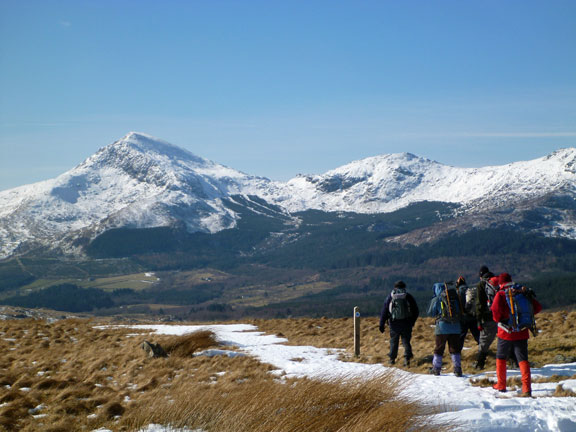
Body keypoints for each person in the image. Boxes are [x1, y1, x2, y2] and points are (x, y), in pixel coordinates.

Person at [491, 272, 542, 396]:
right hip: (522, 331)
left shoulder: (501, 294)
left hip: (505, 332)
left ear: (501, 283)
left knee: (501, 357)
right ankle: (526, 388)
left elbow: (495, 314)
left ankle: (501, 385)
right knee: (523, 359)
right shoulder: (521, 292)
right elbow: (537, 308)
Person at [379, 280, 419, 367]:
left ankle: (392, 359)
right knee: (406, 341)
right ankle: (407, 358)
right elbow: (415, 310)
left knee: (394, 341)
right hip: (406, 323)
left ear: (395, 287)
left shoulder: (390, 297)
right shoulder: (408, 296)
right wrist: (412, 321)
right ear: (404, 287)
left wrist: (381, 324)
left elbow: (384, 311)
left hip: (394, 323)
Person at [428, 282, 463, 376]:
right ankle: (457, 369)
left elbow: (431, 312)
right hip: (455, 326)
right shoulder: (454, 297)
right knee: (455, 348)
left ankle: (436, 368)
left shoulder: (437, 299)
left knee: (439, 348)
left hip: (442, 327)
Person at [473, 266, 499, 369]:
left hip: (488, 317)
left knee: (484, 341)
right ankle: (513, 360)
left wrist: (479, 320)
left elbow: (479, 304)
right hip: (501, 316)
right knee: (505, 339)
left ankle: (480, 363)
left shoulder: (481, 285)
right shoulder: (497, 282)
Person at [456, 276, 480, 352]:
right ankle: (484, 351)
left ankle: (457, 353)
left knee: (461, 336)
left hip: (463, 317)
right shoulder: (470, 290)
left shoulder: (458, 292)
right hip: (473, 316)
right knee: (477, 335)